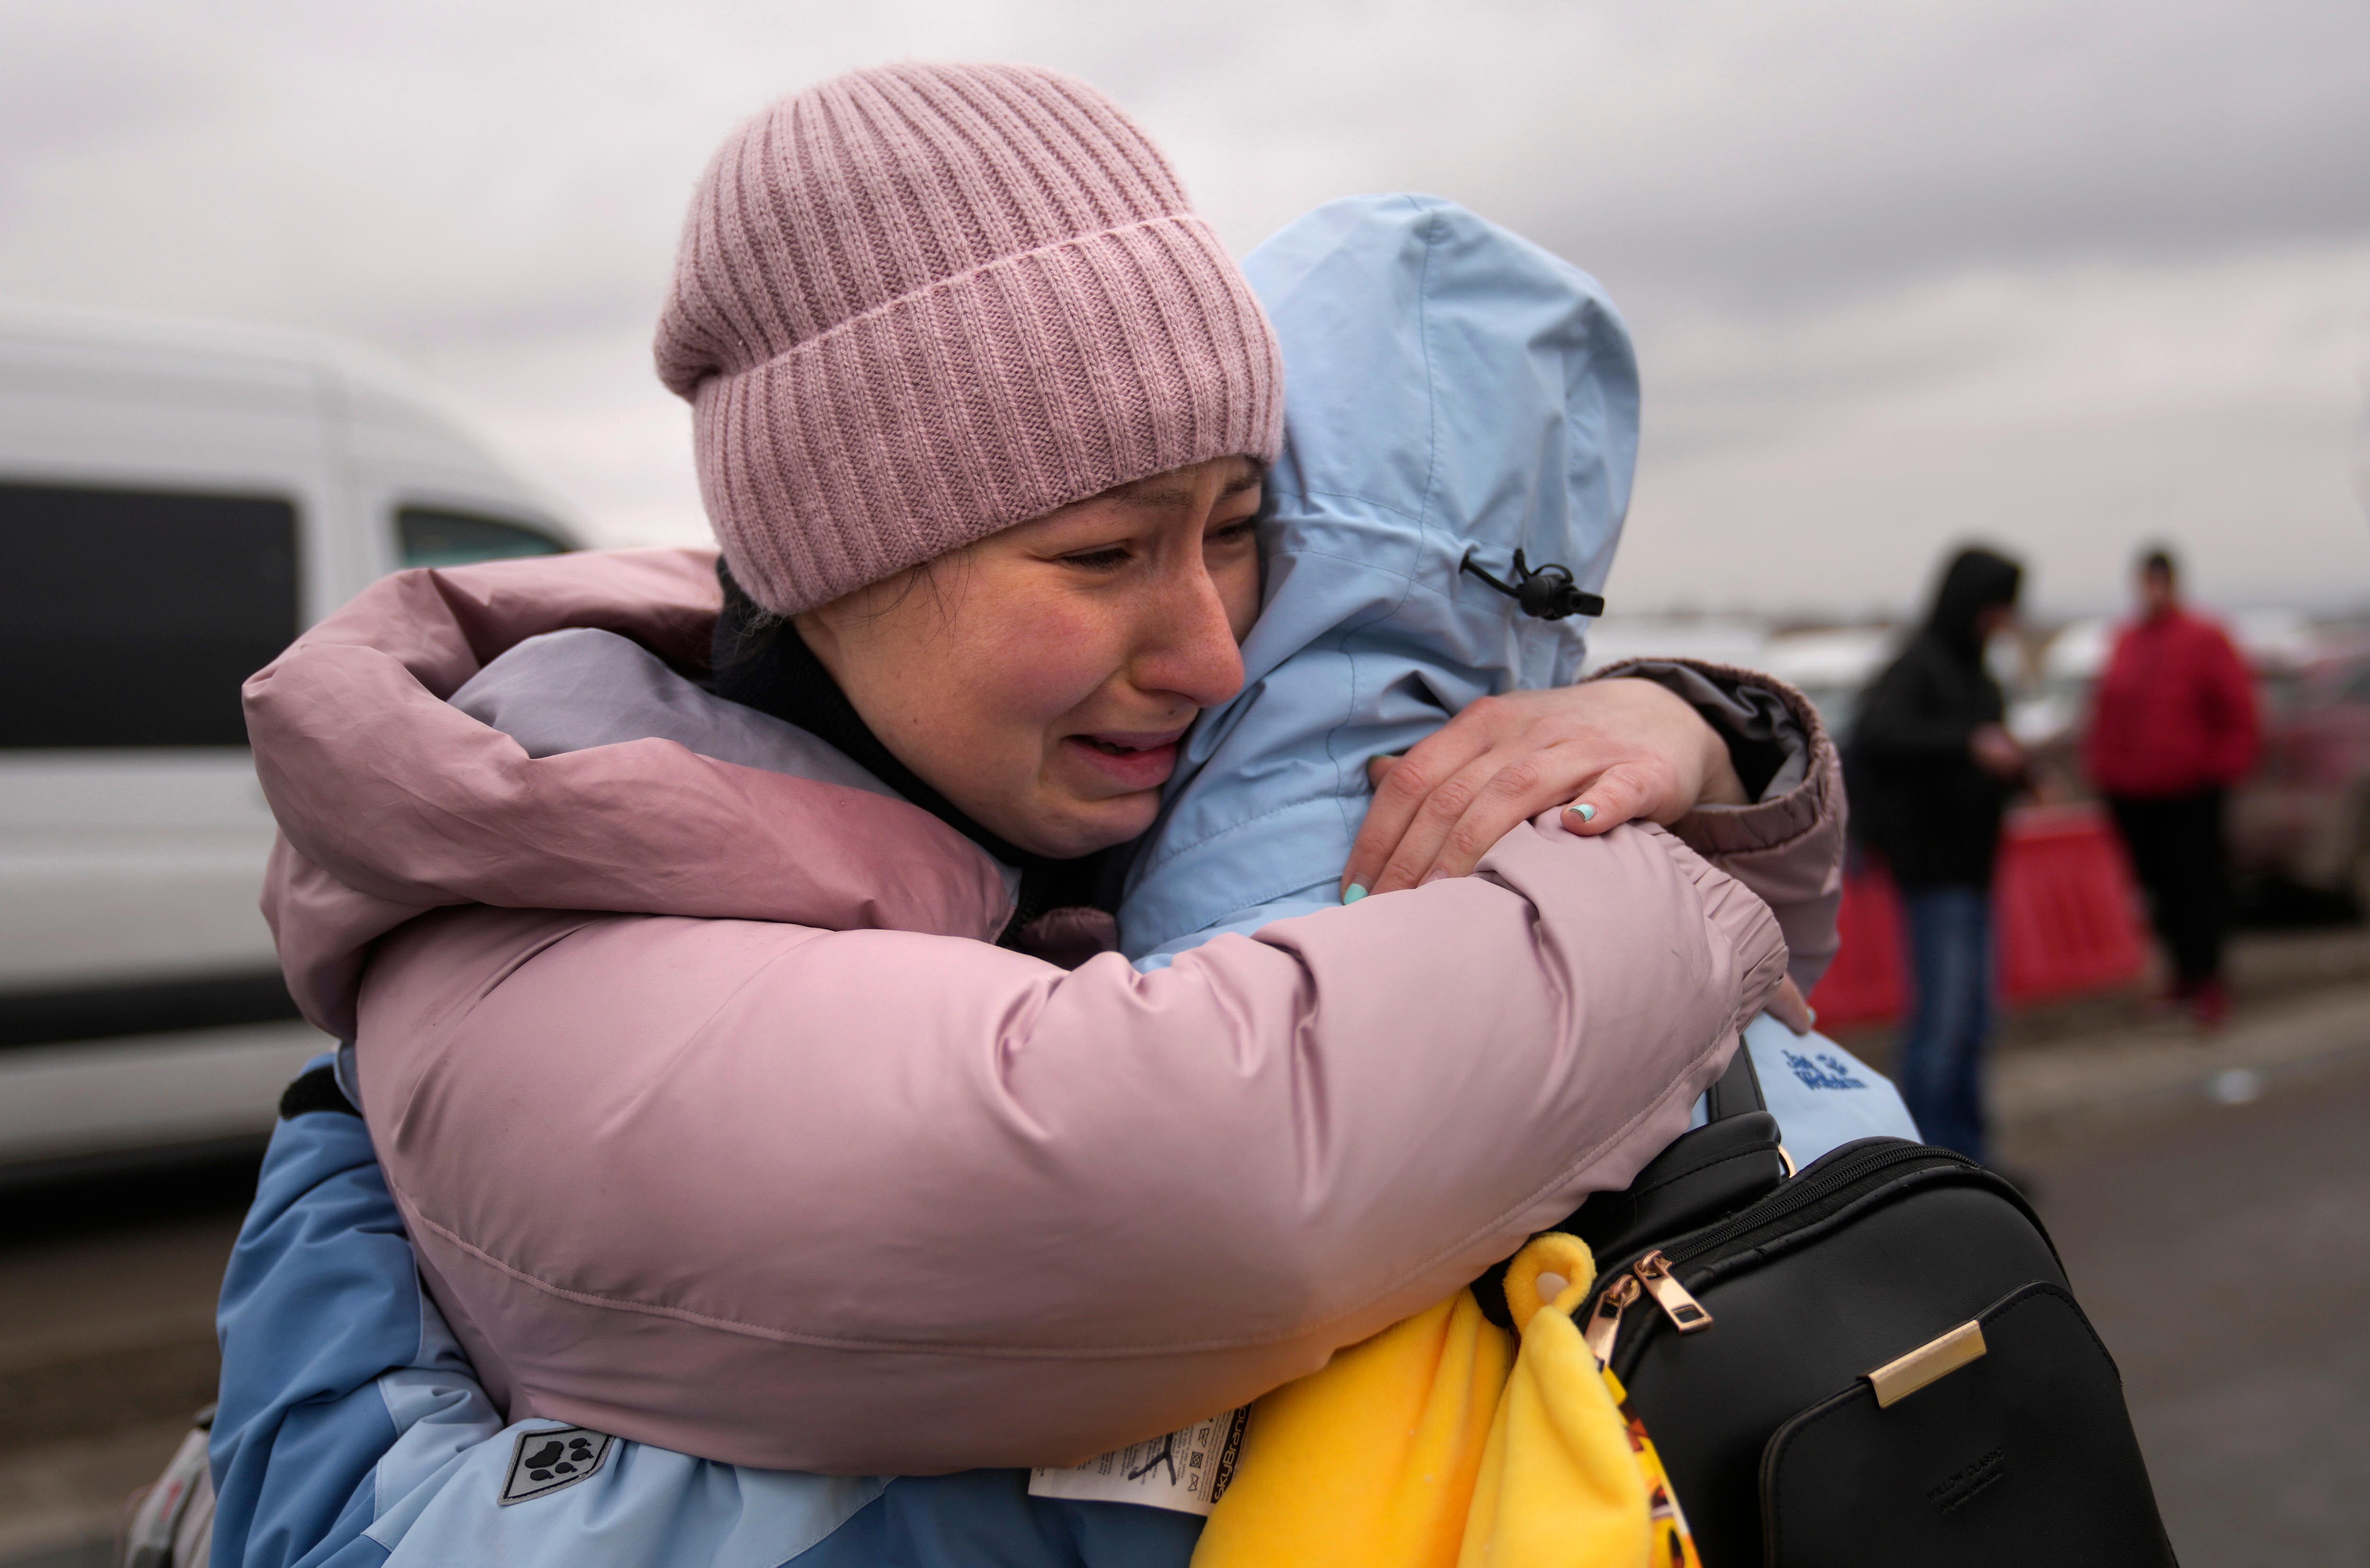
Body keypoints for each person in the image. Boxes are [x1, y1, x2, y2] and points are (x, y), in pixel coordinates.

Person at [210, 69, 1859, 1566]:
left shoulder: (1014, 793)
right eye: (1102, 554)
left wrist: (1677, 732)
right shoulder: (529, 943)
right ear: (832, 557)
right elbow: (1217, 1183)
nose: (1215, 648)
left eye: (1231, 526)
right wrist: (1674, 887)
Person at [1850, 546, 2026, 1164]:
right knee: (1943, 1026)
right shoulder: (1918, 666)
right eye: (1999, 606)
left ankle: (1973, 1159)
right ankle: (1928, 1165)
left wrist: (2021, 772)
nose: (2004, 620)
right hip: (1934, 872)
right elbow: (1878, 734)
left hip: (1976, 869)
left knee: (1975, 1024)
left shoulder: (1979, 673)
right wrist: (1969, 744)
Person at [2084, 546, 2260, 1028]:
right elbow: (2107, 711)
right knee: (2155, 889)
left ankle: (2208, 980)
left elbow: (2237, 708)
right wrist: (2104, 769)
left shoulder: (2202, 638)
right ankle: (2180, 977)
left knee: (2197, 888)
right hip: (2134, 792)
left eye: (2157, 582)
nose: (2150, 592)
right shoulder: (2126, 640)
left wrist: (2222, 769)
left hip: (2191, 791)